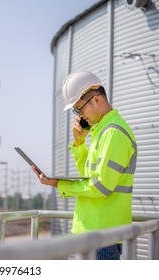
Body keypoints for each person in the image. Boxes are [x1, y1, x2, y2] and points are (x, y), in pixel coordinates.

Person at [32, 71, 137, 260]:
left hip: (102, 235)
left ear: (96, 100)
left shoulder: (113, 134)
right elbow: (88, 176)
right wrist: (80, 144)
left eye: (79, 109)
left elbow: (100, 186)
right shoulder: (101, 132)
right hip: (92, 233)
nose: (80, 116)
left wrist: (58, 184)